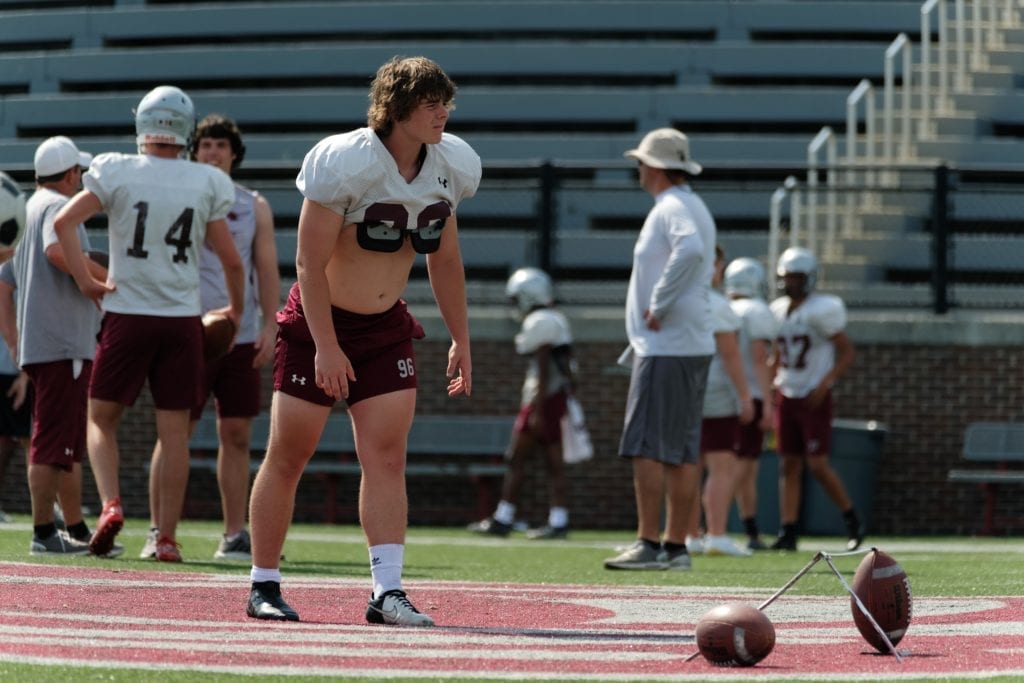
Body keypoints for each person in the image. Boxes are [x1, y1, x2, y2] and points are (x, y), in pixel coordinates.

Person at [245, 56, 480, 626]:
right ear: (397, 107)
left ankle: (387, 591)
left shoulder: (453, 164)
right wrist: (324, 344)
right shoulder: (346, 160)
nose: (442, 112)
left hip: (384, 327)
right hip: (321, 322)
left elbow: (445, 260)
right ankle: (264, 584)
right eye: (430, 102)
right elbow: (308, 259)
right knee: (290, 454)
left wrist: (461, 338)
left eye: (444, 101)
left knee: (387, 457)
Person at [53, 85, 245, 562]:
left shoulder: (116, 169)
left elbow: (62, 224)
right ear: (185, 128)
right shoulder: (204, 180)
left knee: (100, 419)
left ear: (142, 123)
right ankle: (164, 537)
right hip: (181, 319)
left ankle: (112, 503)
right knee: (174, 432)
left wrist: (86, 281)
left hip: (127, 313)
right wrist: (235, 313)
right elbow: (232, 262)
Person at [143, 114, 280, 561]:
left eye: (221, 145)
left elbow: (265, 268)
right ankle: (159, 530)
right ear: (192, 151)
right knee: (175, 430)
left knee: (237, 432)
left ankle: (234, 533)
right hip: (186, 331)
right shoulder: (176, 197)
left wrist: (270, 324)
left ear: (234, 154)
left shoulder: (252, 203)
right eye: (205, 145)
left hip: (238, 335)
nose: (213, 152)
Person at [603, 128, 716, 571]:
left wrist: (658, 304)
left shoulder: (672, 206)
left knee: (648, 445)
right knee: (680, 448)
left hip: (667, 344)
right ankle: (675, 546)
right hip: (685, 342)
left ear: (654, 167)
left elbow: (689, 251)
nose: (639, 170)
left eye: (642, 163)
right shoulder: (690, 204)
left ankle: (650, 542)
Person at [0, 137, 116, 556]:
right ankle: (44, 532)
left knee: (61, 441)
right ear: (70, 175)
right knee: (51, 441)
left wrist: (14, 339)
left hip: (44, 341)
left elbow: (4, 280)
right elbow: (55, 251)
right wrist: (100, 278)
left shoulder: (28, 208)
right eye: (79, 174)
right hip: (62, 341)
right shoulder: (56, 209)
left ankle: (72, 528)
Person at [467, 267, 575, 540]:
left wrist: (537, 410)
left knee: (517, 457)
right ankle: (558, 520)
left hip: (544, 399)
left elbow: (543, 368)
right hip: (554, 397)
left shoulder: (541, 320)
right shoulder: (554, 318)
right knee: (552, 463)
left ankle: (504, 518)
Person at [769, 246, 860, 551]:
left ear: (809, 278)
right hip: (787, 393)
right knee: (788, 465)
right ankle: (788, 530)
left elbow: (847, 352)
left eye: (797, 277)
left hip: (813, 397)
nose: (790, 283)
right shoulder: (777, 310)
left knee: (818, 465)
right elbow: (776, 354)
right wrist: (771, 387)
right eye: (787, 277)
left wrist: (825, 383)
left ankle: (851, 520)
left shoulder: (822, 308)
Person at [685, 245, 754, 557]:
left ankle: (686, 535)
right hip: (713, 391)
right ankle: (716, 533)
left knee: (688, 465)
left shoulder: (676, 301)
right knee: (720, 466)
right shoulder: (716, 305)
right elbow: (729, 355)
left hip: (682, 390)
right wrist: (744, 396)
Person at [724, 256, 778, 551]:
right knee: (740, 467)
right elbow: (760, 358)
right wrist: (768, 404)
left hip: (722, 396)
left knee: (745, 467)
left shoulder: (721, 308)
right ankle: (713, 527)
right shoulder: (757, 311)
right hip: (751, 396)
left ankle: (751, 530)